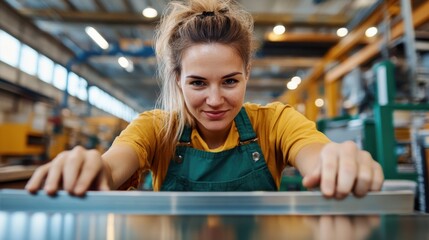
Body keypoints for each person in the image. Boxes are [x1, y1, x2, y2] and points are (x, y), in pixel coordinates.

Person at [26, 0, 384, 198]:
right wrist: (90, 169)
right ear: (178, 79)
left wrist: (333, 160)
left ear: (248, 75)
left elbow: (314, 155)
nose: (215, 100)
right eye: (198, 83)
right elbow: (112, 167)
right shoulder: (156, 129)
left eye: (230, 81)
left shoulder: (274, 122)